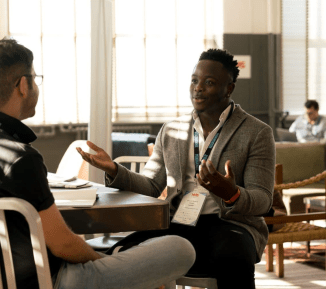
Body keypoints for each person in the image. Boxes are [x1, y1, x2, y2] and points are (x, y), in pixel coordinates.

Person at [0, 38, 195, 289]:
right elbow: (63, 244)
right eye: (36, 79)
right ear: (23, 85)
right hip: (52, 281)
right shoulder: (22, 159)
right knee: (181, 248)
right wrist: (101, 262)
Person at [77, 49, 276, 289]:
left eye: (209, 82)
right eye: (194, 80)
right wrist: (114, 170)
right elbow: (151, 185)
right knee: (124, 251)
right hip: (179, 222)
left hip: (230, 224)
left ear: (229, 88)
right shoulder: (171, 129)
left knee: (233, 258)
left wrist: (231, 193)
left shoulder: (256, 132)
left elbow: (263, 200)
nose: (198, 88)